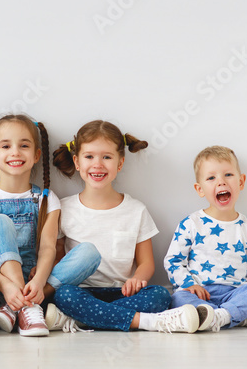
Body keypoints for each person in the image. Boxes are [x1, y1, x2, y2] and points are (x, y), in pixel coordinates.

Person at [46, 120, 199, 334]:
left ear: (120, 163)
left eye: (106, 157)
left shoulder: (136, 210)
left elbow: (146, 263)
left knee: (160, 295)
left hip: (123, 292)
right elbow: (57, 256)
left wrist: (138, 279)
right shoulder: (63, 208)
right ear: (77, 162)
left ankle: (84, 319)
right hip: (81, 292)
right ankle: (143, 322)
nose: (97, 164)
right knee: (63, 295)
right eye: (89, 156)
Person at [0, 114, 101, 337]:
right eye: (6, 146)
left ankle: (20, 306)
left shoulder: (47, 200)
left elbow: (48, 248)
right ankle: (24, 307)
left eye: (24, 145)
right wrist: (8, 286)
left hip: (37, 284)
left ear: (37, 154)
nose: (15, 152)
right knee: (0, 221)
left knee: (90, 253)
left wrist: (38, 282)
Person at [164, 146, 247, 331]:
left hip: (235, 294)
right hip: (199, 293)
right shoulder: (191, 224)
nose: (221, 182)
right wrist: (190, 284)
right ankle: (238, 317)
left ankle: (219, 316)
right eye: (211, 178)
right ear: (200, 189)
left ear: (241, 182)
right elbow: (173, 261)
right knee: (178, 298)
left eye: (228, 175)